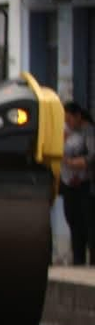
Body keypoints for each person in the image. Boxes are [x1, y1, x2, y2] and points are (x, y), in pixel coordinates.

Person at [62, 102, 95, 265]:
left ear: (78, 116)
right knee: (74, 222)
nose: (67, 123)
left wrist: (71, 163)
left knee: (88, 224)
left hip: (85, 186)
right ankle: (78, 260)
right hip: (69, 185)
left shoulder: (88, 132)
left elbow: (91, 159)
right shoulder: (67, 132)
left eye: (69, 119)